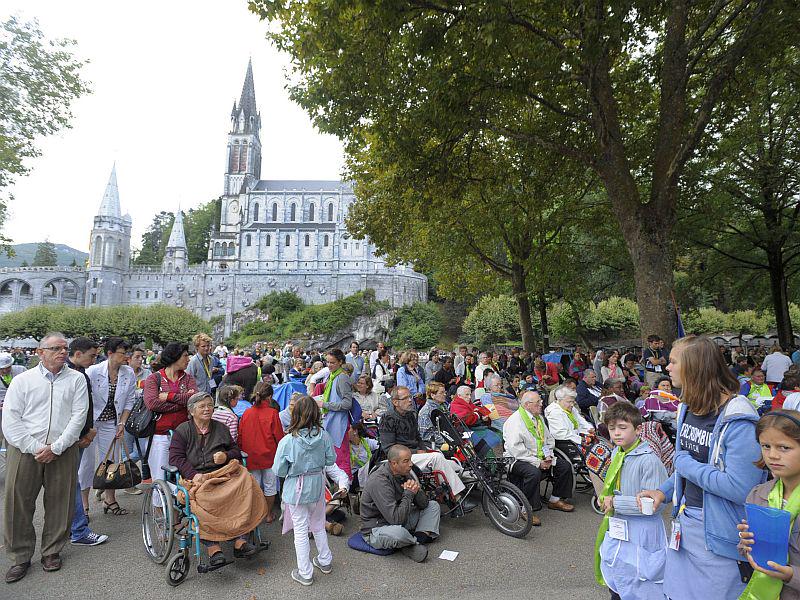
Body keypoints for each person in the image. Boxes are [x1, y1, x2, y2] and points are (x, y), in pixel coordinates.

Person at [638, 335, 763, 600]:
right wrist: (663, 491)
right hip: (687, 525)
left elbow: (741, 488)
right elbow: (689, 466)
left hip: (721, 536)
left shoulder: (739, 419)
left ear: (695, 366)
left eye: (674, 362)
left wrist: (685, 464)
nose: (667, 367)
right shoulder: (687, 407)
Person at [2, 333, 88, 583]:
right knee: (18, 503)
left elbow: (79, 416)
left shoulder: (76, 379)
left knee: (60, 502)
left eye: (65, 348)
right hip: (25, 450)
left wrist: (57, 447)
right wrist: (35, 447)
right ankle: (20, 556)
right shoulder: (23, 380)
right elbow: (11, 419)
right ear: (40, 353)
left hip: (63, 449)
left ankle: (51, 551)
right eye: (56, 348)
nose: (62, 352)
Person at [168, 392, 260, 566]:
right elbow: (175, 459)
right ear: (192, 411)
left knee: (246, 484)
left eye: (210, 405)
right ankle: (213, 547)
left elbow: (235, 450)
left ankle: (240, 540)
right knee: (202, 498)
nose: (207, 409)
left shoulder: (221, 428)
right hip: (197, 477)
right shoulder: (183, 431)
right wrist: (193, 474)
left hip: (221, 474)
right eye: (202, 406)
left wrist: (226, 456)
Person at [595, 402, 668, 600]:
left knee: (641, 581)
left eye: (622, 427)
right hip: (620, 527)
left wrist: (615, 502)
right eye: (612, 428)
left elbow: (654, 505)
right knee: (617, 576)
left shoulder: (649, 460)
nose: (616, 433)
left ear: (638, 429)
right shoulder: (617, 452)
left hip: (642, 532)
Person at [737, 410, 800, 599]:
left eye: (784, 448)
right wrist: (746, 543)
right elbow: (747, 550)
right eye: (766, 446)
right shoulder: (758, 494)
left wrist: (792, 575)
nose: (772, 455)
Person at [274, 394, 336, 586]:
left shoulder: (288, 441)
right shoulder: (324, 436)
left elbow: (279, 470)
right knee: (318, 524)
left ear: (295, 414)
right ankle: (325, 560)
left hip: (296, 488)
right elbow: (331, 460)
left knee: (300, 530)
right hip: (317, 485)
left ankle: (305, 572)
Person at [77, 337, 136, 517]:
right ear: (110, 353)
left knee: (111, 462)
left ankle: (110, 499)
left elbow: (129, 401)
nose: (126, 356)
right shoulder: (93, 371)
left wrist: (122, 423)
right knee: (86, 464)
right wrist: (85, 427)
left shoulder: (128, 373)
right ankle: (84, 505)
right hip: (90, 424)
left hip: (112, 422)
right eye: (123, 353)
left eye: (127, 353)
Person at [379, 386, 469, 502]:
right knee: (437, 457)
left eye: (410, 397)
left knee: (451, 464)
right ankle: (457, 497)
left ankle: (465, 483)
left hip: (415, 454)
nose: (410, 400)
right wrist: (416, 451)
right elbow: (389, 449)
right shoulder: (387, 419)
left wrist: (422, 449)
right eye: (405, 398)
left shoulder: (410, 415)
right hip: (400, 459)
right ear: (395, 402)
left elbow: (418, 437)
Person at [359, 444, 441, 561]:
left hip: (399, 517)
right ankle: (412, 541)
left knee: (433, 506)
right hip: (377, 527)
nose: (411, 464)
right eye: (406, 461)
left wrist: (416, 490)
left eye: (410, 460)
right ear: (394, 463)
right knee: (399, 533)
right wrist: (409, 493)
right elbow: (395, 520)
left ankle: (413, 542)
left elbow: (424, 504)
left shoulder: (405, 473)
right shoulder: (379, 480)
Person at [503, 391, 574, 524]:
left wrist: (548, 455)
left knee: (564, 466)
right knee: (533, 472)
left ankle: (555, 500)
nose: (541, 404)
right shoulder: (515, 421)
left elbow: (548, 439)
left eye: (540, 401)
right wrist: (538, 462)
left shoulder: (538, 418)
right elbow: (516, 450)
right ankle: (525, 508)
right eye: (538, 402)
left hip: (540, 456)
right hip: (517, 459)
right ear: (527, 405)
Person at [65, 338, 109, 546]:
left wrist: (89, 431)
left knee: (70, 483)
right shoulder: (68, 374)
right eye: (91, 356)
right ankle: (78, 530)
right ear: (78, 354)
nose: (94, 360)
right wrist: (82, 433)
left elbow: (87, 407)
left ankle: (72, 528)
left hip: (80, 436)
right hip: (70, 438)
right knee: (70, 483)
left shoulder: (80, 373)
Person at [143, 343, 196, 489]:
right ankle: (159, 504)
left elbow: (194, 399)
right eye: (185, 356)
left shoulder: (188, 378)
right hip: (160, 436)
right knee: (160, 479)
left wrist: (169, 396)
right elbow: (152, 404)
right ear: (174, 357)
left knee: (184, 477)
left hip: (184, 435)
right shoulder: (154, 378)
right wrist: (182, 403)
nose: (188, 359)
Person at [237, 381, 285, 522]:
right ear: (269, 397)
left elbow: (240, 436)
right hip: (269, 456)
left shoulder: (246, 413)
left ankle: (255, 516)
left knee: (255, 487)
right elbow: (279, 437)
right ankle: (268, 514)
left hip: (250, 456)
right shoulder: (273, 413)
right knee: (270, 486)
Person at [321, 349, 354, 477]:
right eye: (328, 362)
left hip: (339, 424)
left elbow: (347, 404)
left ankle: (345, 483)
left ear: (340, 362)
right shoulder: (332, 376)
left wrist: (324, 404)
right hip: (332, 421)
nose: (329, 365)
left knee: (341, 458)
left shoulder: (342, 378)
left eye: (332, 362)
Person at [0, 352, 26, 446]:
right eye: (2, 369)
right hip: (1, 409)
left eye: (8, 367)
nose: (5, 370)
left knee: (13, 436)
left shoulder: (21, 370)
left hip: (18, 409)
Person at [418, 381, 447, 447]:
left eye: (445, 392)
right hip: (435, 446)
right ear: (432, 395)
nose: (445, 394)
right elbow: (426, 435)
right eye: (441, 393)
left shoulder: (443, 406)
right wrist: (447, 440)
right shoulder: (426, 411)